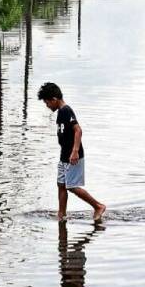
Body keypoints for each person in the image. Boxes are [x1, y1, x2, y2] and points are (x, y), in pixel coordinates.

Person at [37, 81, 106, 222]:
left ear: (54, 99)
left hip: (73, 155)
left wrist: (74, 152)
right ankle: (61, 215)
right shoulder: (60, 112)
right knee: (61, 185)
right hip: (64, 155)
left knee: (72, 186)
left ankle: (98, 206)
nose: (47, 106)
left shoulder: (65, 110)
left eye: (47, 103)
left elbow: (78, 130)